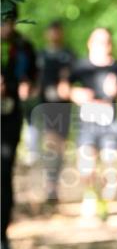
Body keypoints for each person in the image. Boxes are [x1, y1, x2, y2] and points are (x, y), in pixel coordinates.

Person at [66, 28, 117, 221]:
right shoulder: (80, 66)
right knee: (86, 167)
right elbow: (64, 88)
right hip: (87, 124)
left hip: (110, 124)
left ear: (111, 45)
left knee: (111, 165)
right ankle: (90, 196)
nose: (103, 46)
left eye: (106, 42)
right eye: (98, 42)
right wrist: (76, 94)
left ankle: (105, 202)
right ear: (90, 44)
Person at [1, 6, 37, 249]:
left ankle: (2, 239)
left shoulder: (23, 46)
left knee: (3, 176)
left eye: (9, 21)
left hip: (9, 118)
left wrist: (23, 88)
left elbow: (32, 80)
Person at [32, 20, 76, 206]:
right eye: (52, 31)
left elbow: (78, 76)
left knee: (59, 147)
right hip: (44, 106)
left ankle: (54, 184)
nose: (55, 35)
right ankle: (50, 185)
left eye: (58, 31)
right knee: (50, 144)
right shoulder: (40, 56)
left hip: (63, 107)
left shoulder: (69, 55)